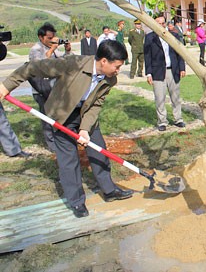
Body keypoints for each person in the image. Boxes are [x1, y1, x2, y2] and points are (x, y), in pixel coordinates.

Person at [0, 40, 134, 217]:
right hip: (62, 115)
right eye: (116, 66)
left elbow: (96, 104)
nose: (118, 71)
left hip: (86, 113)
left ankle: (109, 190)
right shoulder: (73, 64)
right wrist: (6, 85)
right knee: (68, 160)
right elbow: (31, 68)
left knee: (98, 150)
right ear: (103, 61)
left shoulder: (110, 79)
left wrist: (85, 129)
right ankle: (77, 201)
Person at [29, 22, 72, 153]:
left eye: (53, 37)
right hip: (41, 90)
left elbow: (64, 62)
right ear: (40, 37)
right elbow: (41, 66)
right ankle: (52, 144)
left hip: (55, 88)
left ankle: (61, 140)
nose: (51, 40)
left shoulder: (53, 48)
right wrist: (52, 50)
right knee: (46, 117)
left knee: (58, 115)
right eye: (48, 38)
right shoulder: (35, 49)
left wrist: (67, 50)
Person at [144, 15, 186, 131]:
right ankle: (162, 121)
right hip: (158, 71)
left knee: (175, 96)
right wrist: (148, 73)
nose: (161, 25)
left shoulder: (174, 36)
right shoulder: (149, 38)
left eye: (163, 23)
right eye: (158, 23)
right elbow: (147, 56)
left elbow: (180, 53)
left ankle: (178, 119)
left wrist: (182, 68)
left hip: (173, 70)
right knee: (159, 97)